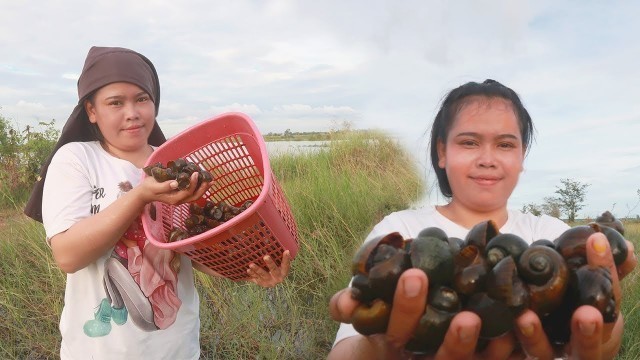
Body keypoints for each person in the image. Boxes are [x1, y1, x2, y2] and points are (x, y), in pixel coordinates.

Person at [328, 79, 637, 359]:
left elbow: (597, 340)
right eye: (469, 142)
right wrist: (376, 349)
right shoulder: (399, 229)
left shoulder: (552, 233)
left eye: (505, 144)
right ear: (441, 152)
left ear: (522, 156)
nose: (487, 159)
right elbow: (343, 350)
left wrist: (604, 333)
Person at [23, 46, 291, 360]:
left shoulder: (176, 167)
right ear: (91, 111)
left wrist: (249, 270)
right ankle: (111, 310)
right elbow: (68, 256)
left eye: (142, 99)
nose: (132, 112)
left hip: (176, 349)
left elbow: (193, 251)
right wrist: (140, 196)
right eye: (115, 103)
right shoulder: (76, 159)